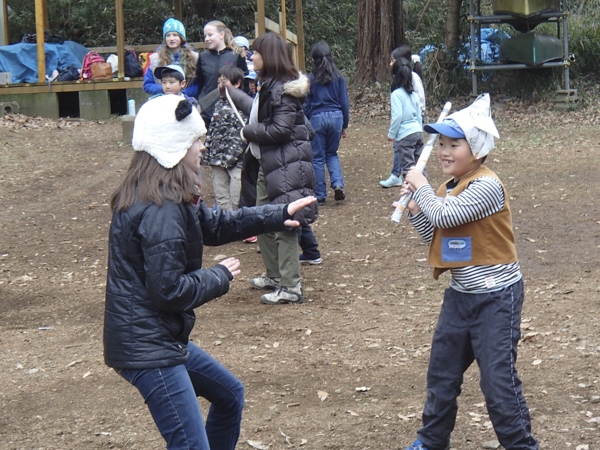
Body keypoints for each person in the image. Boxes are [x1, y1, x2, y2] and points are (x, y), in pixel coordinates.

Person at [104, 94, 316, 450]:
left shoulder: (166, 192)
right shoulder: (160, 209)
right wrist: (218, 276)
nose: (203, 147)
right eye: (196, 140)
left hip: (158, 338)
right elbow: (168, 290)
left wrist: (278, 213)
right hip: (148, 348)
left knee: (229, 395)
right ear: (174, 145)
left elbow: (215, 225)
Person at [398, 94, 539, 450]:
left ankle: (522, 446)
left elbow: (445, 215)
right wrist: (416, 208)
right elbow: (441, 240)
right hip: (461, 297)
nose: (444, 151)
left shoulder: (487, 185)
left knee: (497, 383)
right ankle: (430, 442)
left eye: (454, 144)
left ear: (476, 148)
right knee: (441, 376)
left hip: (497, 299)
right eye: (441, 143)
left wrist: (423, 187)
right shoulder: (449, 188)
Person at [225, 32, 318, 305]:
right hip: (270, 165)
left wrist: (247, 133)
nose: (250, 56)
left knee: (285, 225)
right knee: (261, 220)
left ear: (270, 57)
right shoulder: (268, 85)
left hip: (287, 167)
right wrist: (232, 93)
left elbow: (280, 129)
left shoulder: (284, 90)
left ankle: (290, 287)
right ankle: (274, 276)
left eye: (255, 52)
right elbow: (258, 112)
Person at [303, 40, 350, 205]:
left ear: (313, 60)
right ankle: (338, 184)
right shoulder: (339, 78)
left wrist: (306, 123)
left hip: (317, 118)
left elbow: (306, 104)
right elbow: (344, 102)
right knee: (332, 153)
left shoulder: (310, 79)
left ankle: (320, 195)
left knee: (317, 157)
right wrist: (345, 124)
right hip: (337, 117)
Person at [202, 65, 247, 211]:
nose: (220, 85)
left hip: (237, 163)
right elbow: (212, 130)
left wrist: (231, 158)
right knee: (222, 201)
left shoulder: (243, 104)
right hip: (217, 161)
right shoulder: (218, 104)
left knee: (237, 200)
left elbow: (243, 135)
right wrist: (207, 154)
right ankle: (226, 231)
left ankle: (240, 231)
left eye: (224, 81)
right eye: (218, 82)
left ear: (237, 83)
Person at [380, 53, 424, 188]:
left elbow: (397, 116)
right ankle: (424, 191)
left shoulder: (396, 94)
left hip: (405, 136)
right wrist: (419, 130)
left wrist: (391, 134)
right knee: (420, 166)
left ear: (394, 76)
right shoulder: (414, 94)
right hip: (417, 133)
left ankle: (410, 198)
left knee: (409, 169)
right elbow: (419, 115)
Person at [196, 21, 248, 126]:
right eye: (205, 36)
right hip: (206, 109)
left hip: (230, 108)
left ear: (221, 35)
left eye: (210, 35)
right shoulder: (203, 57)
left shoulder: (236, 55)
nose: (207, 39)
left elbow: (244, 83)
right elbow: (200, 82)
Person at [143, 18, 198, 98]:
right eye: (168, 35)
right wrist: (166, 89)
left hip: (186, 99)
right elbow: (147, 85)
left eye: (175, 35)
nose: (171, 39)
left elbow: (199, 84)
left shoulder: (194, 58)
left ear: (181, 37)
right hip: (163, 100)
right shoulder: (156, 59)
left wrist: (182, 92)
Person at [392, 45, 426, 124]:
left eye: (392, 61)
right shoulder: (397, 78)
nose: (390, 63)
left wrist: (418, 112)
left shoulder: (414, 77)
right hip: (403, 117)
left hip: (414, 117)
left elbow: (420, 98)